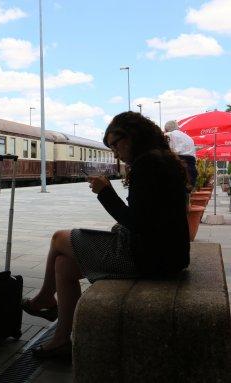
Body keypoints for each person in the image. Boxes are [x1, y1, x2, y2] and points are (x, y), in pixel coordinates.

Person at [22, 111, 190, 358]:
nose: (115, 153)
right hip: (166, 255)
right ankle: (60, 339)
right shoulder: (162, 160)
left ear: (133, 136)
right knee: (63, 265)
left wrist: (105, 192)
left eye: (116, 144)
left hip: (149, 260)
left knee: (59, 238)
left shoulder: (148, 165)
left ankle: (46, 298)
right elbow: (151, 219)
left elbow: (137, 223)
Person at [164, 120, 197, 190]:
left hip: (177, 168)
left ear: (166, 129)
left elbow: (165, 152)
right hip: (191, 169)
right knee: (186, 195)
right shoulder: (189, 138)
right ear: (178, 127)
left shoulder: (168, 135)